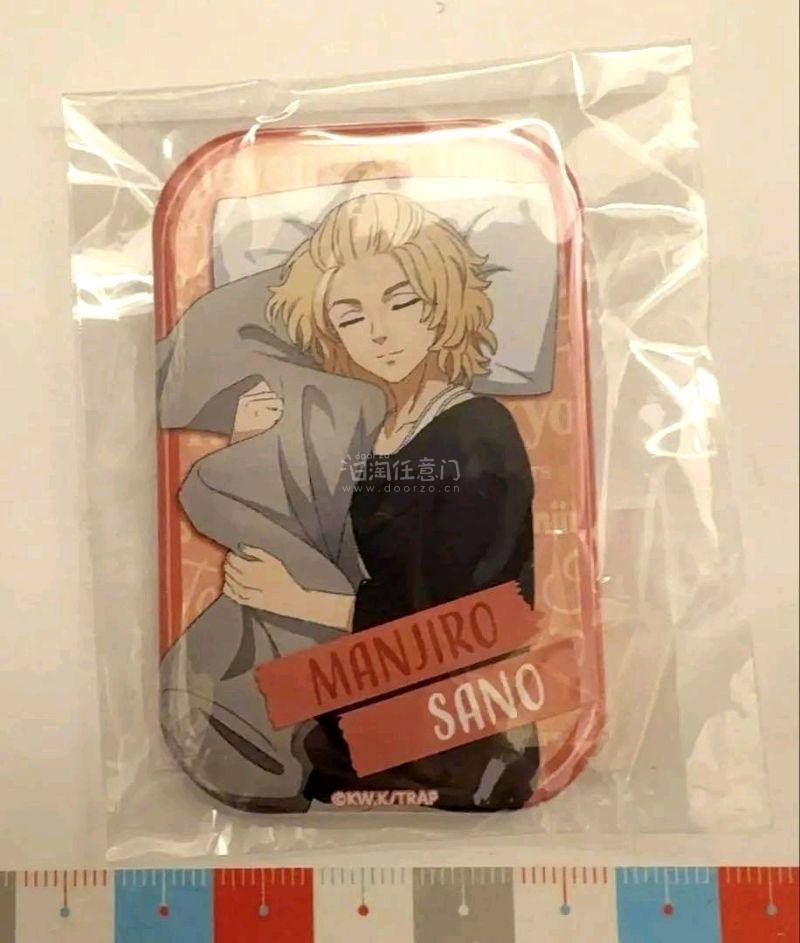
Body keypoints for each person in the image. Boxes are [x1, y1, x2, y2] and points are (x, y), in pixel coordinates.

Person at [221, 192, 538, 810]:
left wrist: (299, 600)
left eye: (401, 302)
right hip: (336, 726)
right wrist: (249, 452)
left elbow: (471, 619)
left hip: (456, 736)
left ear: (441, 303)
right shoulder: (358, 434)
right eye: (351, 316)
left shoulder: (478, 431)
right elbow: (297, 539)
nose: (379, 332)